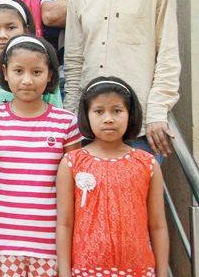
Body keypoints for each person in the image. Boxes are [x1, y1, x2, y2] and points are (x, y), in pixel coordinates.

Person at [64, 0, 180, 158]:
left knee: (138, 197)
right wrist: (72, 119)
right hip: (90, 126)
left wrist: (158, 112)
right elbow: (74, 63)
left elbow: (167, 57)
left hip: (140, 127)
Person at [0, 35, 81, 277]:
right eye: (18, 71)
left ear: (50, 74)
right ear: (5, 72)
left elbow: (75, 187)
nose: (27, 80)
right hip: (2, 244)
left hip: (51, 245)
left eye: (37, 72)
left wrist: (68, 249)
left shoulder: (67, 124)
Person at [56, 77, 168, 276]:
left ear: (130, 114)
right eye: (99, 111)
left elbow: (158, 225)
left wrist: (161, 272)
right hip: (87, 270)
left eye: (117, 111)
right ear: (86, 115)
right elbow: (65, 223)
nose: (108, 118)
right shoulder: (72, 162)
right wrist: (64, 272)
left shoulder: (147, 164)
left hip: (138, 269)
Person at [0, 0, 62, 115]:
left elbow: (56, 118)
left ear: (26, 30)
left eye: (11, 28)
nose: (2, 35)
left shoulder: (41, 72)